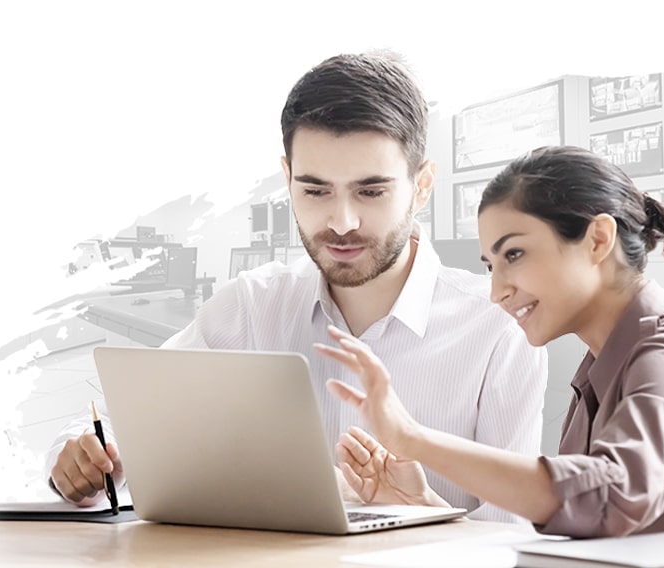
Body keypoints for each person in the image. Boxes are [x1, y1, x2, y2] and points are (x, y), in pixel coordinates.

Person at [44, 51, 548, 524]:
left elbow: (511, 537)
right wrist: (84, 459)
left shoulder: (500, 328)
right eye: (315, 190)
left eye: (371, 191)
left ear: (421, 185)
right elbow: (119, 418)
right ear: (287, 180)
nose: (342, 222)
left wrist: (421, 511)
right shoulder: (252, 307)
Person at [317, 145, 664, 538]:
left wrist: (413, 439)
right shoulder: (603, 369)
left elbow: (605, 500)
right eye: (491, 265)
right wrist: (421, 505)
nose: (497, 290)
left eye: (515, 253)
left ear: (597, 240)